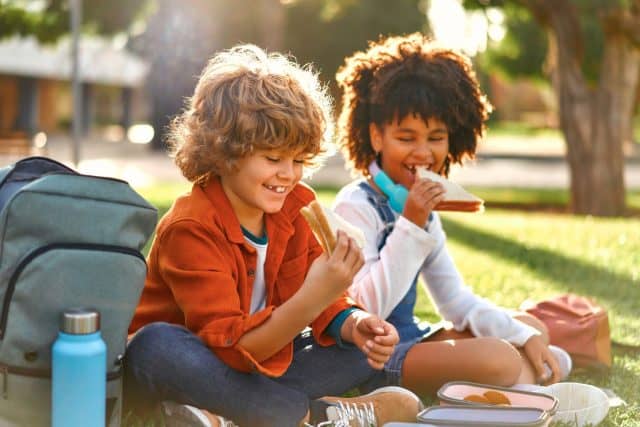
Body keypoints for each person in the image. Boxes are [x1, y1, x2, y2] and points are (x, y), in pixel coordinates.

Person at [124, 44, 423, 427]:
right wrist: (315, 295)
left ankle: (222, 415)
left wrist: (352, 323)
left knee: (356, 351)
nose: (289, 174)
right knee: (155, 347)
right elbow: (232, 348)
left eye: (298, 160)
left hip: (253, 363)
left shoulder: (294, 208)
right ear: (224, 151)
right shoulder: (192, 227)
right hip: (195, 360)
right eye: (273, 158)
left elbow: (316, 305)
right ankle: (313, 415)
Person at [332, 33, 572, 397]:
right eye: (406, 137)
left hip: (413, 338)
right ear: (376, 137)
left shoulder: (423, 210)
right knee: (501, 359)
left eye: (436, 137)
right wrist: (411, 223)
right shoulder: (355, 205)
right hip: (369, 357)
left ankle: (529, 367)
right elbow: (365, 309)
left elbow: (455, 302)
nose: (423, 153)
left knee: (530, 325)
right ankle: (528, 373)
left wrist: (523, 335)